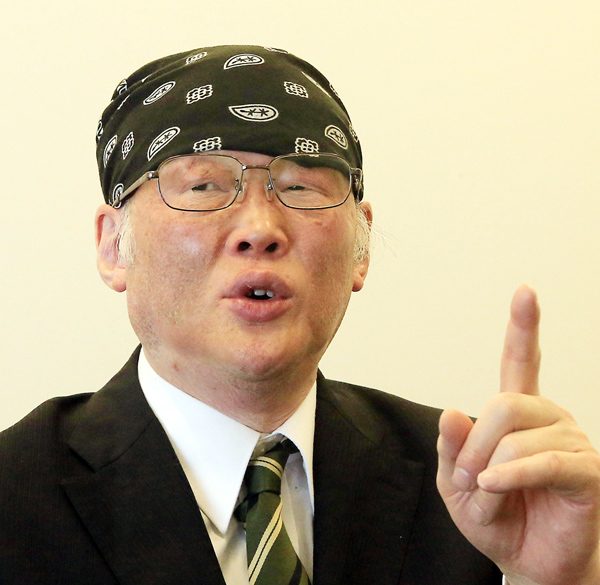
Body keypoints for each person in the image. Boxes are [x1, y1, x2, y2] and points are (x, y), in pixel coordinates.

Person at [0, 45, 598, 585]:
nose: (261, 228)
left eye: (303, 186)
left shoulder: (479, 488)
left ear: (361, 247)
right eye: (205, 186)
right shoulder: (15, 495)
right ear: (113, 246)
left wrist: (559, 579)